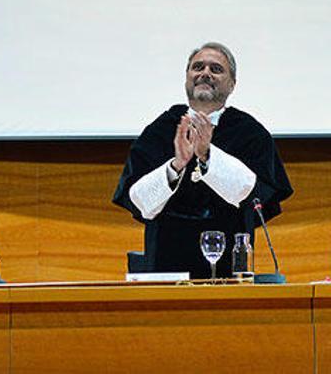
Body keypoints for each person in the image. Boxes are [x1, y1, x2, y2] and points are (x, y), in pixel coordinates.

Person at [113, 43, 293, 279]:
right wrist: (176, 165)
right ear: (187, 78)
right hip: (166, 263)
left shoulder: (250, 133)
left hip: (229, 264)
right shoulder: (160, 130)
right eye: (198, 67)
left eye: (216, 69)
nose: (205, 73)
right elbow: (140, 201)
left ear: (232, 85)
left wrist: (207, 155)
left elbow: (254, 194)